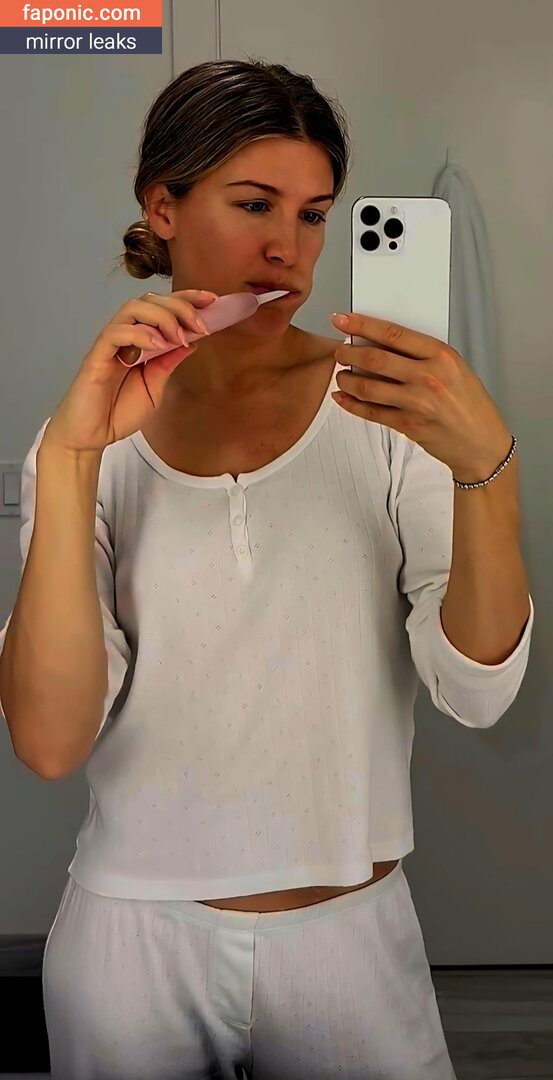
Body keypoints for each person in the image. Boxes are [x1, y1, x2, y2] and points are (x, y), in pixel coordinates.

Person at [0, 58, 533, 1080]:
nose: (287, 247)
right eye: (253, 205)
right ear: (163, 207)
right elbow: (51, 740)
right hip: (129, 944)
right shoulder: (83, 441)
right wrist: (68, 461)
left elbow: (476, 692)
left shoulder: (386, 413)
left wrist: (486, 472)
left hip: (350, 937)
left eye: (313, 215)